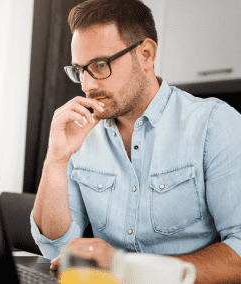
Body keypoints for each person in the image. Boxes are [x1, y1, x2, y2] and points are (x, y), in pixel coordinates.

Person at [30, 0, 241, 283]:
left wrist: (126, 267)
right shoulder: (81, 134)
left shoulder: (215, 124)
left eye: (100, 65)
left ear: (146, 54)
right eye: (80, 70)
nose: (88, 85)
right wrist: (56, 158)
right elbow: (54, 248)